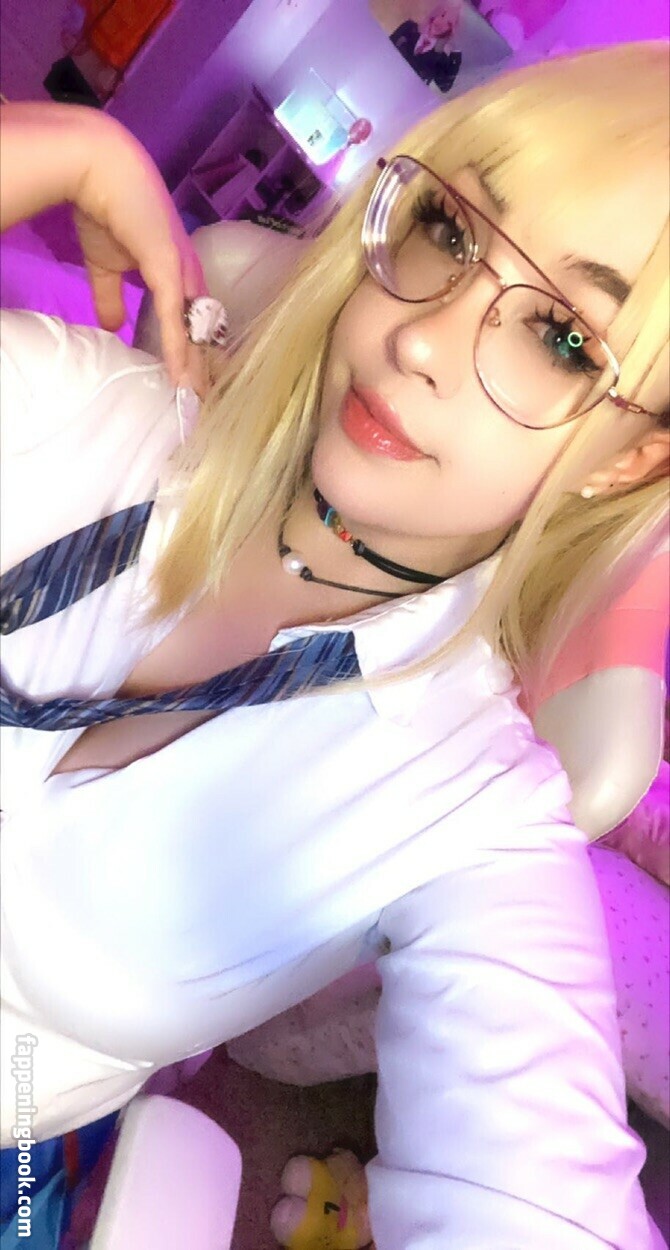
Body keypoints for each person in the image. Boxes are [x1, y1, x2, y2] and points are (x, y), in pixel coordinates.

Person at [0, 38, 668, 1249]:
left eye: (563, 337)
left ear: (629, 460)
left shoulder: (475, 821)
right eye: (451, 231)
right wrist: (56, 148)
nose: (423, 338)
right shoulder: (89, 411)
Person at [390, 2, 464, 93]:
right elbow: (387, 46)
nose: (442, 23)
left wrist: (454, 52)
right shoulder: (409, 28)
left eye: (449, 23)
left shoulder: (440, 57)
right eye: (442, 15)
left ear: (450, 31)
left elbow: (445, 87)